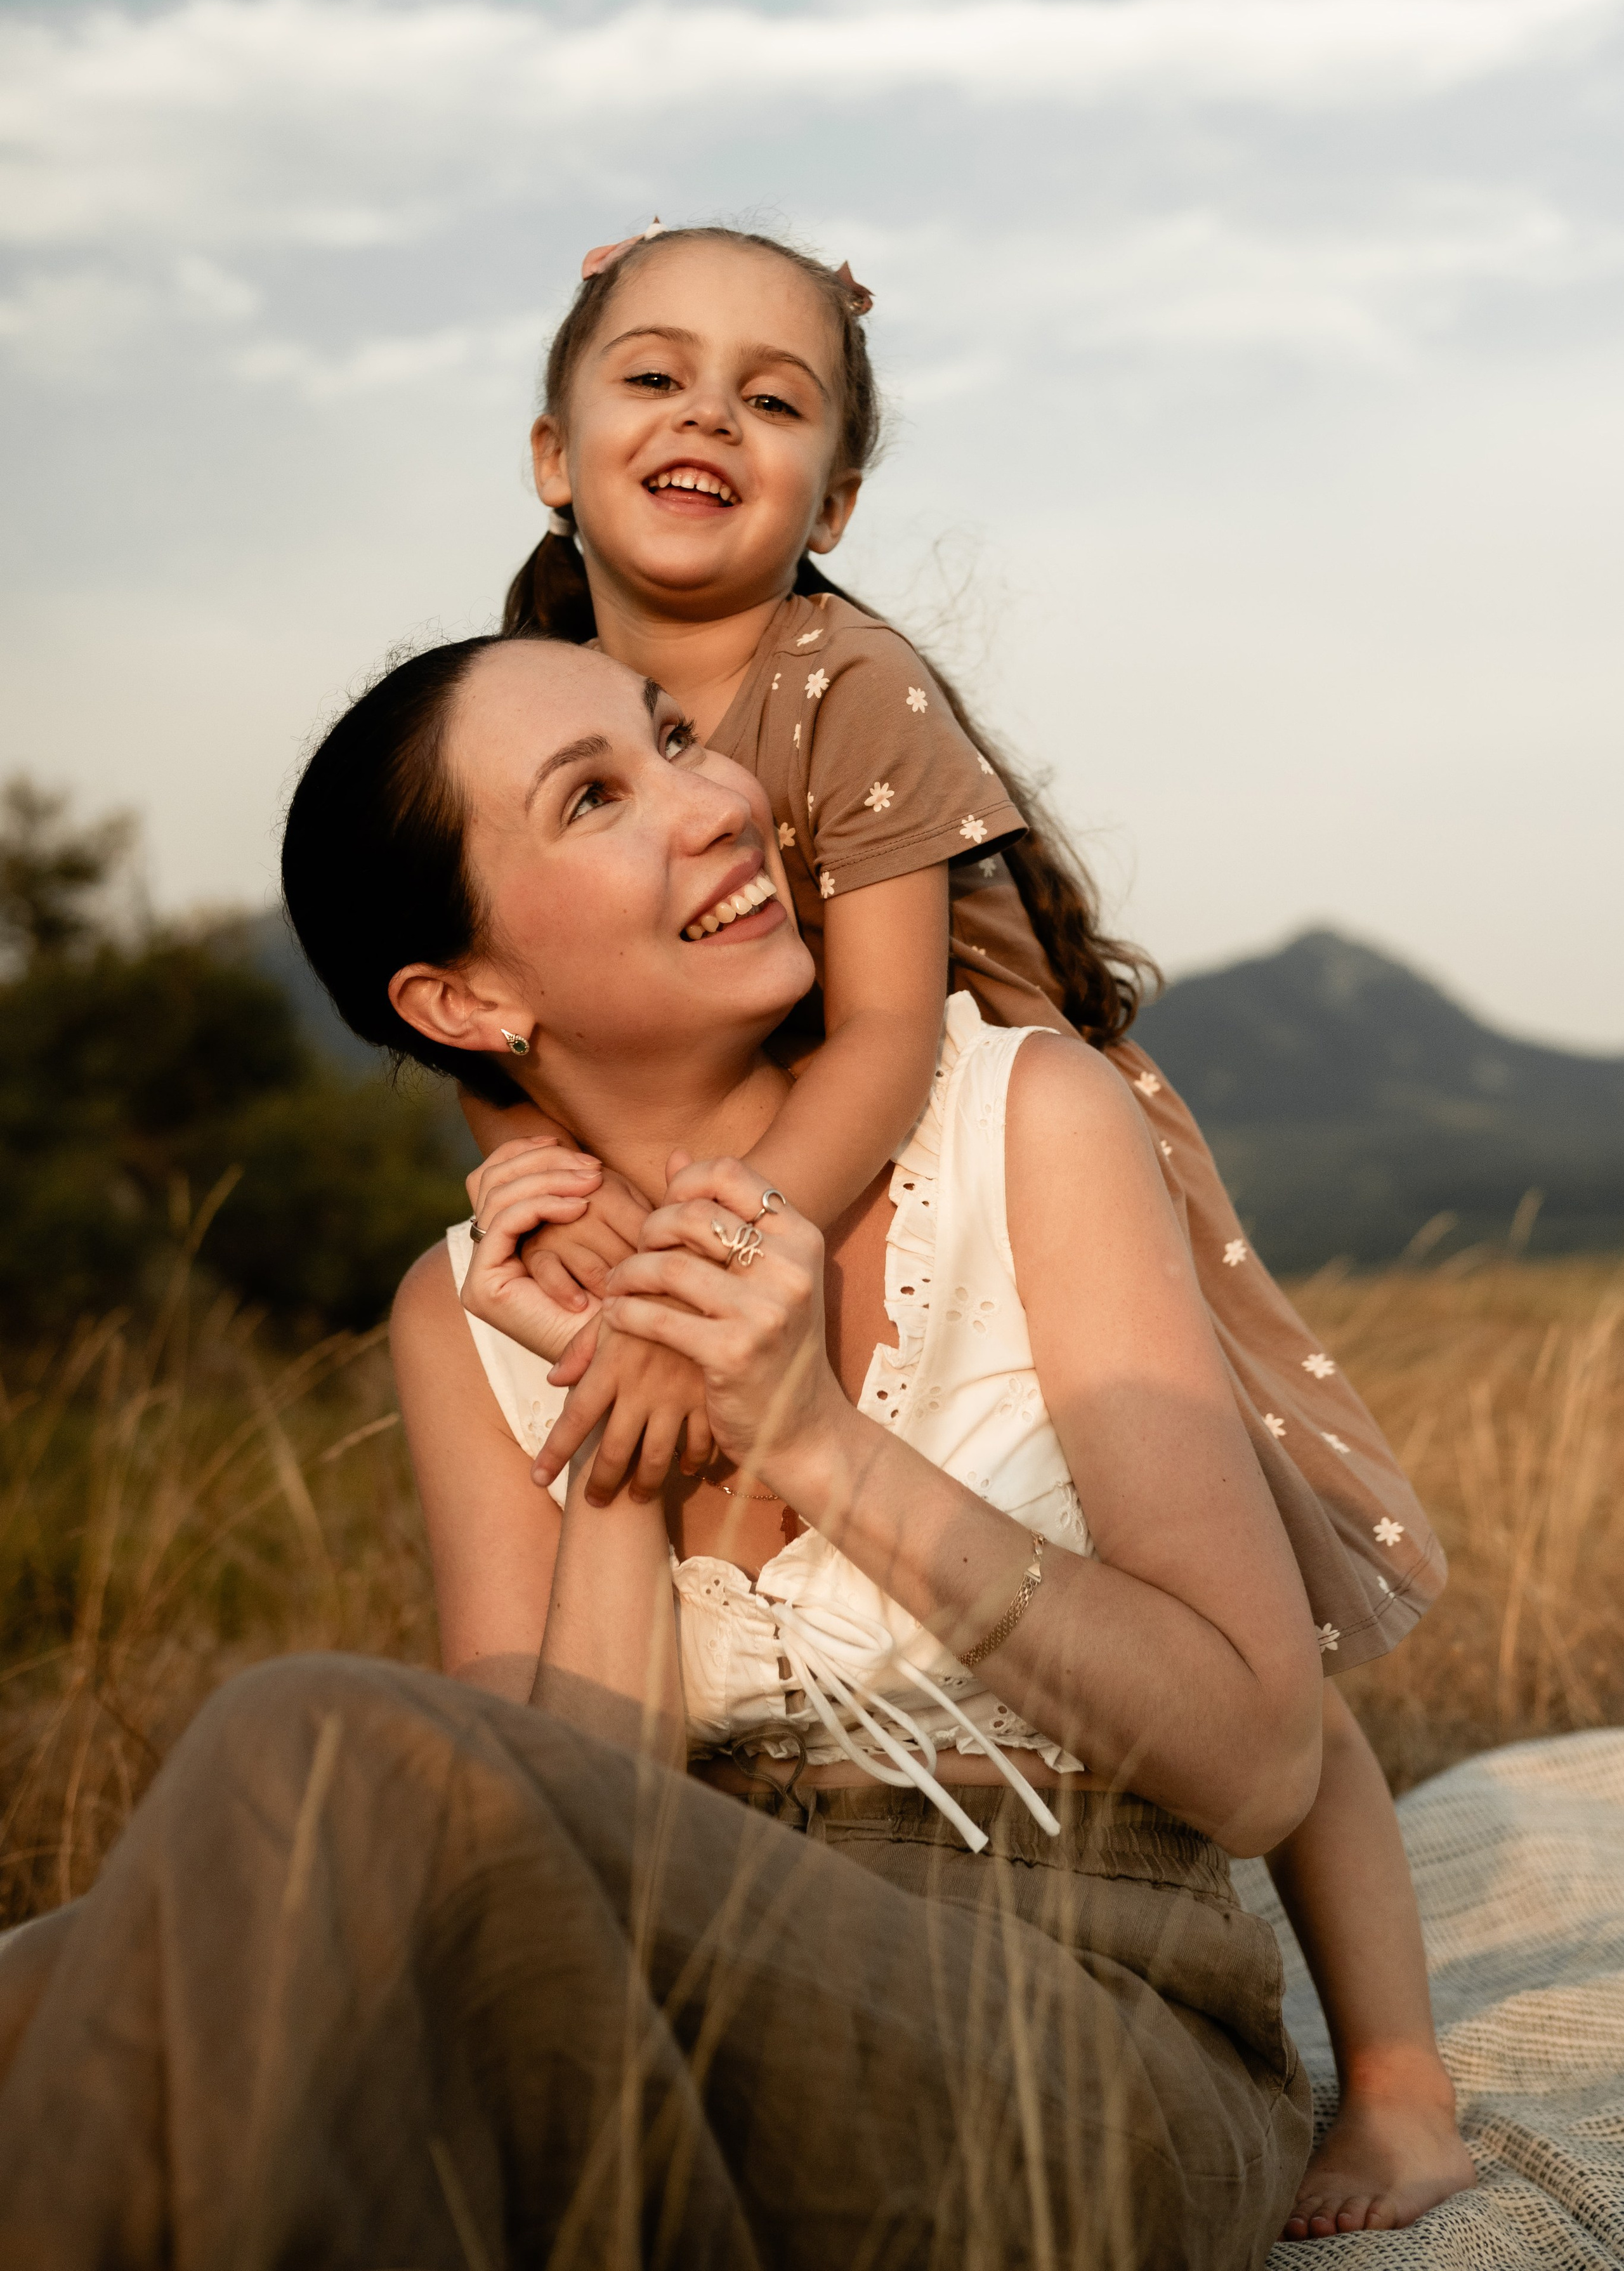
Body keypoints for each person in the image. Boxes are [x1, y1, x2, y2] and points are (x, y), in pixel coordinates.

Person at [470, 220, 1469, 2236]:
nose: (707, 420)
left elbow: (879, 1039)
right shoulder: (530, 696)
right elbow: (513, 994)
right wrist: (514, 1166)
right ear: (552, 452)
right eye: (653, 376)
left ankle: (1402, 2084)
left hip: (1008, 1133)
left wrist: (694, 1292)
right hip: (769, 1161)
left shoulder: (850, 677)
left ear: (833, 496)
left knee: (1244, 1617)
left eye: (775, 397)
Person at [277, 625, 1321, 2265]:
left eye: (677, 740)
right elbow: (555, 1866)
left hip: (1086, 1994)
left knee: (308, 1790)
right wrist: (617, 1432)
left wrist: (817, 1444)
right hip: (666, 1978)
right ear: (464, 999)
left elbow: (1261, 1764)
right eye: (597, 795)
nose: (716, 803)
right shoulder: (462, 1310)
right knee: (269, 1813)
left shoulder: (1026, 1123)